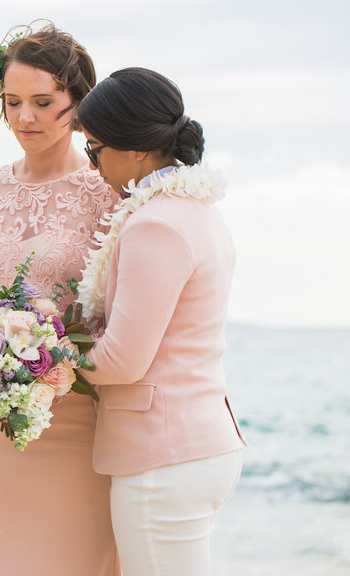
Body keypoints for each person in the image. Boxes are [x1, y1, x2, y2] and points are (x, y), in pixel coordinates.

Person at [0, 21, 120, 576]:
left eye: (42, 101)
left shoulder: (106, 192)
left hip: (74, 418)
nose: (25, 118)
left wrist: (50, 359)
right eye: (12, 102)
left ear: (78, 103)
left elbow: (116, 311)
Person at [74, 67, 246, 576]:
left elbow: (121, 361)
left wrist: (41, 352)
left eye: (94, 148)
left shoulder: (155, 223)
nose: (92, 163)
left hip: (163, 456)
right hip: (198, 443)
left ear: (136, 148)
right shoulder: (197, 211)